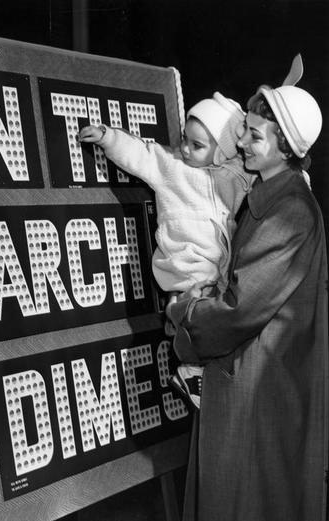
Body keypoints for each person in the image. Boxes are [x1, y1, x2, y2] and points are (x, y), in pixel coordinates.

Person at [167, 56, 328, 521]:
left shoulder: (289, 213)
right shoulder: (271, 197)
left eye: (255, 136)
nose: (240, 140)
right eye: (246, 130)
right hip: (251, 385)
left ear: (286, 149)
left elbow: (240, 309)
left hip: (259, 395)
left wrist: (185, 315)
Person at [78, 92, 252, 408]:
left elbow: (265, 175)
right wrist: (108, 137)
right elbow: (142, 154)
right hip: (184, 267)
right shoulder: (172, 167)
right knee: (191, 320)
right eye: (185, 138)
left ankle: (196, 373)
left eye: (197, 145)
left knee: (215, 325)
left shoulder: (234, 176)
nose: (185, 148)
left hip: (220, 271)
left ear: (221, 151)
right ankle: (190, 372)